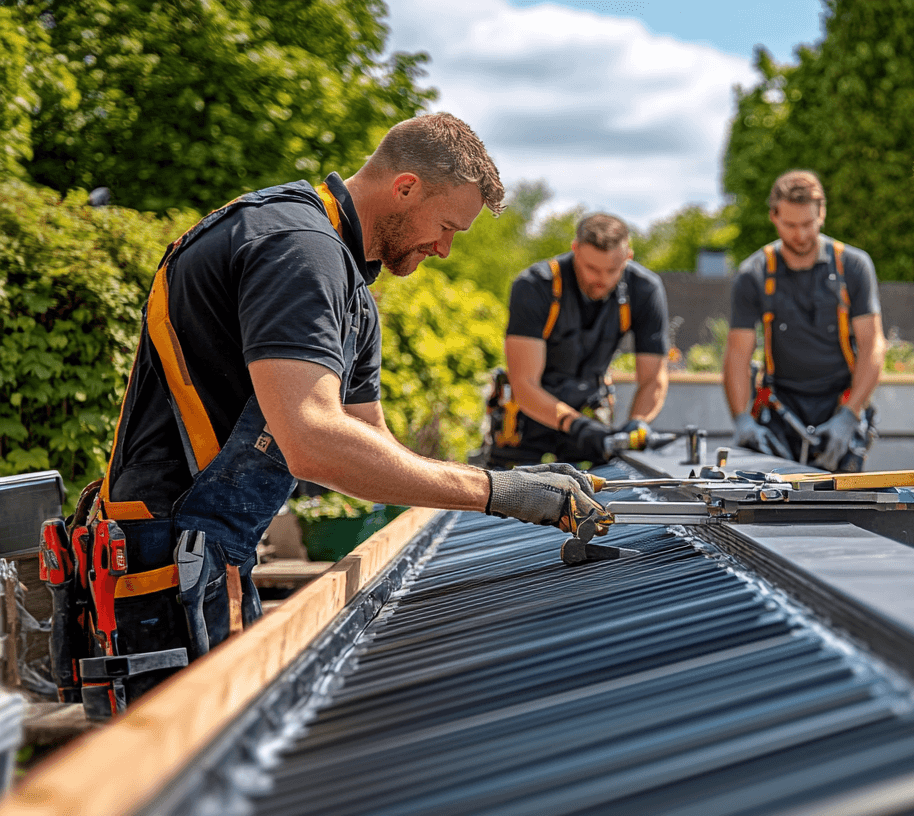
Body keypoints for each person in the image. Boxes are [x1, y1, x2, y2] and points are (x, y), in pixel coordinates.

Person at [66, 113, 606, 718]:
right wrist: (493, 492)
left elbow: (367, 441)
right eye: (447, 226)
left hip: (211, 556)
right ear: (405, 187)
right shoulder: (297, 247)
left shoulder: (350, 288)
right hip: (162, 562)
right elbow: (314, 441)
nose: (445, 249)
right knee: (173, 759)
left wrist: (512, 483)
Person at [723, 170, 887, 471]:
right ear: (773, 217)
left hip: (840, 403)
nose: (799, 235)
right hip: (780, 407)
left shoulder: (852, 267)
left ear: (821, 214)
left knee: (841, 495)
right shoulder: (754, 274)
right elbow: (737, 353)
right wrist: (742, 419)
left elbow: (872, 344)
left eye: (807, 224)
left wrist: (850, 415)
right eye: (790, 225)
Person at [485, 213, 670, 468]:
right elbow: (524, 383)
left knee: (603, 487)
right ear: (575, 250)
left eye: (613, 270)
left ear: (628, 256)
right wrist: (576, 426)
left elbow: (653, 378)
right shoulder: (534, 286)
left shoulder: (645, 289)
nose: (602, 280)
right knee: (512, 487)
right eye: (592, 268)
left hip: (591, 413)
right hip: (528, 414)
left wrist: (638, 423)